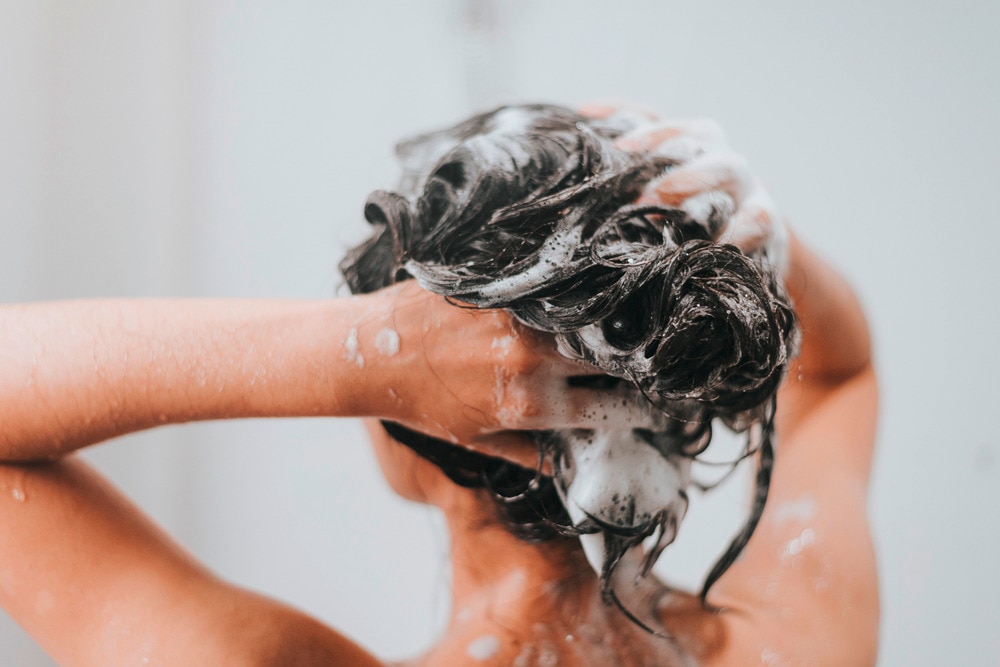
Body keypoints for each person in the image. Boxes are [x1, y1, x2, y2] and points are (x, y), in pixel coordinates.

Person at [0, 104, 879, 666]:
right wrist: (739, 221)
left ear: (402, 428)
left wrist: (359, 351)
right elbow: (840, 372)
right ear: (677, 398)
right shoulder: (800, 638)